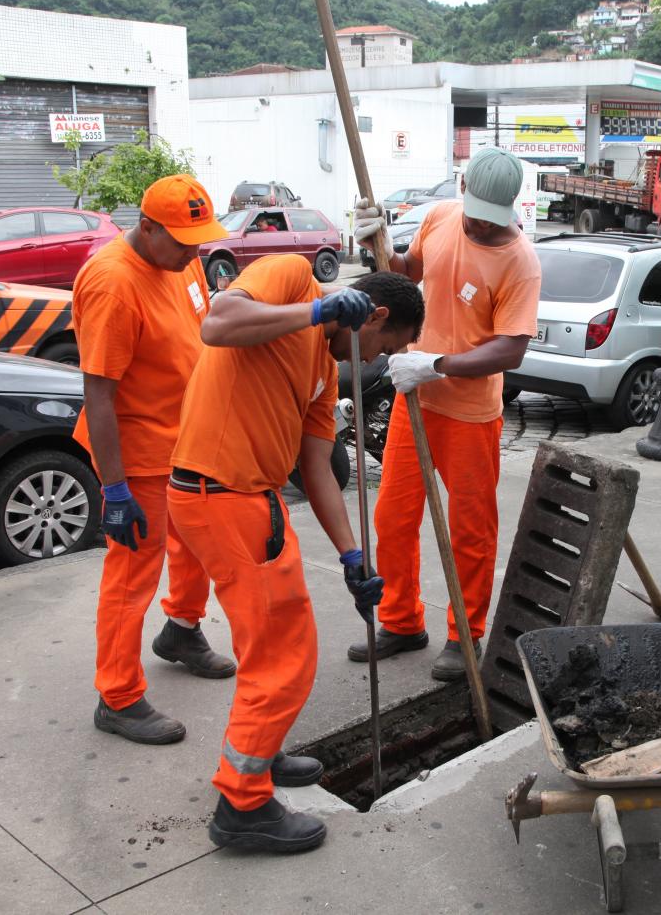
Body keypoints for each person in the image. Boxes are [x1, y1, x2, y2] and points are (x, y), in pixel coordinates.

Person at [167, 255, 424, 853]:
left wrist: (352, 555)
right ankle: (243, 804)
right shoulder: (291, 278)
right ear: (374, 315)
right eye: (384, 348)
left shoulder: (324, 373)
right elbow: (217, 324)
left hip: (253, 500)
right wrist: (317, 309)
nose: (378, 363)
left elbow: (316, 468)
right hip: (218, 494)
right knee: (284, 656)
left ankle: (263, 747)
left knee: (278, 642)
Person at [348, 146, 542, 681]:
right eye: (475, 211)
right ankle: (402, 620)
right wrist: (375, 244)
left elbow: (511, 350)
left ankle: (466, 633)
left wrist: (435, 363)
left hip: (470, 413)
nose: (480, 225)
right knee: (392, 517)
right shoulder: (440, 218)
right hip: (418, 402)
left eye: (492, 218)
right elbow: (408, 273)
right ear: (463, 188)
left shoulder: (520, 261)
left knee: (470, 531)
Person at [74, 174, 236, 747]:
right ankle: (117, 696)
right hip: (137, 451)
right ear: (146, 227)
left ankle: (182, 630)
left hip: (189, 435)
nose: (195, 252)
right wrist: (114, 489)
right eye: (183, 240)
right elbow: (99, 393)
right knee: (131, 572)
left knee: (195, 542)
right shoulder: (114, 284)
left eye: (199, 239)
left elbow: (203, 329)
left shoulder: (182, 259)